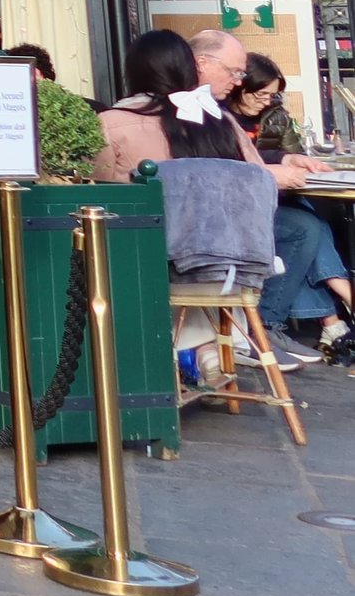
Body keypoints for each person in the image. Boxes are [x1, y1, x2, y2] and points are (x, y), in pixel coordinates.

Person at [95, 29, 347, 366]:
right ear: (192, 65)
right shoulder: (217, 120)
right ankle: (241, 338)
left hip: (155, 261)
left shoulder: (111, 124)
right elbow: (256, 178)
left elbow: (100, 193)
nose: (239, 81)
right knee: (305, 224)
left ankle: (202, 349)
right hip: (234, 265)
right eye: (235, 71)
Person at [229, 51, 306, 155]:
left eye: (272, 95)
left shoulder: (278, 118)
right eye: (261, 94)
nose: (267, 102)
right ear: (240, 87)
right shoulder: (216, 117)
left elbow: (297, 156)